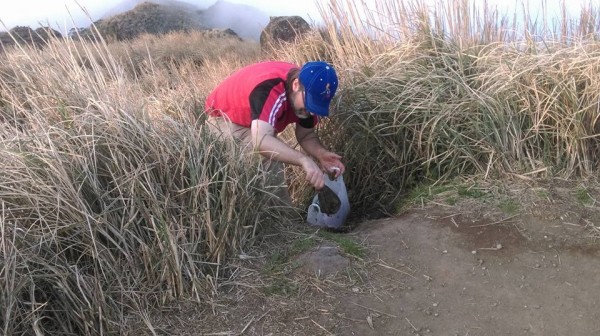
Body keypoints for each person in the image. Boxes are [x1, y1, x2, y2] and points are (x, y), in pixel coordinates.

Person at [204, 61, 345, 195]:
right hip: (224, 119)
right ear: (296, 85)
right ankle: (282, 217)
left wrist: (321, 154)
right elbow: (262, 141)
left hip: (255, 124)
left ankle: (282, 216)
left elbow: (306, 135)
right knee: (266, 159)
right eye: (309, 103)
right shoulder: (270, 88)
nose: (310, 112)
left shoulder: (306, 94)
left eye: (315, 106)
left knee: (272, 157)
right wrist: (304, 160)